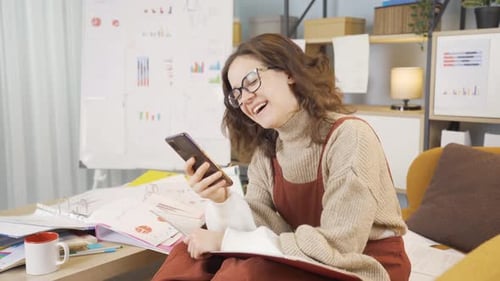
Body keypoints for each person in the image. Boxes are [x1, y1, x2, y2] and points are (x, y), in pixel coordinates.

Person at [152, 33, 411, 281]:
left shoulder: (350, 136)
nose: (245, 99)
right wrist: (221, 200)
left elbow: (340, 244)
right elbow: (257, 228)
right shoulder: (267, 153)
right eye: (237, 94)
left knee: (244, 273)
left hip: (361, 264)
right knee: (187, 256)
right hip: (303, 259)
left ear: (289, 72)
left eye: (251, 81)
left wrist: (225, 241)